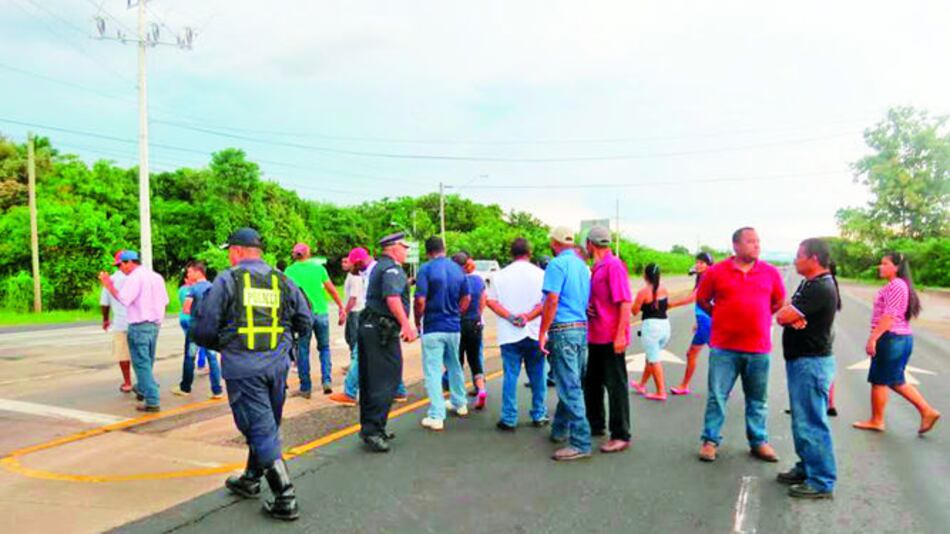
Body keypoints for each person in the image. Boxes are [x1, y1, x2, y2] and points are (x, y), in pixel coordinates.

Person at [190, 228, 312, 521]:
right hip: (276, 366)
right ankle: (250, 478)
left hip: (244, 368)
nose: (229, 256)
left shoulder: (228, 279)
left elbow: (205, 328)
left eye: (230, 250)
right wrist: (285, 347)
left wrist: (226, 346)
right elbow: (304, 320)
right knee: (265, 423)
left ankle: (286, 497)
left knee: (259, 428)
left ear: (239, 250)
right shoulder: (281, 279)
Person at [696, 227, 785, 463]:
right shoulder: (716, 272)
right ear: (735, 245)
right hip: (724, 347)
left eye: (758, 241)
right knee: (717, 395)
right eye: (750, 241)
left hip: (758, 348)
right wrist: (721, 315)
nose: (756, 245)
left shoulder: (770, 272)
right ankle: (710, 441)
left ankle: (759, 441)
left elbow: (778, 301)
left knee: (757, 399)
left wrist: (760, 317)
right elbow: (703, 299)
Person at [775, 238, 841, 499]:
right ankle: (807, 467)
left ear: (813, 259)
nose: (795, 260)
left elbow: (782, 316)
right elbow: (787, 314)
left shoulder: (820, 287)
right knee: (802, 421)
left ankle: (822, 480)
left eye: (799, 255)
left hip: (811, 362)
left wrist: (791, 317)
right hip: (803, 360)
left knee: (812, 422)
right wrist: (792, 317)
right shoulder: (809, 283)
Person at [853, 253, 941, 435]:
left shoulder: (896, 286)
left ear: (896, 267)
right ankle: (927, 411)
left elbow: (889, 316)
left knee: (878, 380)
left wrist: (873, 338)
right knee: (895, 380)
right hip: (899, 338)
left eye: (885, 264)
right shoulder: (899, 286)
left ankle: (877, 420)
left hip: (891, 337)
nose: (880, 266)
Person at [358, 232, 418, 452]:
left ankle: (373, 427)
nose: (407, 251)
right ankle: (373, 431)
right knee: (385, 381)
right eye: (404, 247)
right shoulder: (391, 268)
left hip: (373, 328)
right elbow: (392, 298)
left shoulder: (382, 266)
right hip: (380, 331)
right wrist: (406, 325)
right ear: (393, 248)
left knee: (373, 380)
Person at [537, 226, 592, 461]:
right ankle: (560, 429)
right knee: (570, 381)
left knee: (570, 387)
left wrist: (542, 332)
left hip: (563, 329)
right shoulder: (582, 266)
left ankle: (581, 441)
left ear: (554, 243)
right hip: (580, 328)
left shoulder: (556, 265)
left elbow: (552, 299)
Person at [329, 248, 409, 407]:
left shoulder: (376, 272)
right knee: (387, 355)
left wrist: (405, 323)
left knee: (360, 353)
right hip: (380, 319)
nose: (350, 269)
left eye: (351, 265)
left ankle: (350, 393)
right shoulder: (369, 272)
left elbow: (391, 297)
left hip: (378, 320)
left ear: (358, 262)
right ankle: (399, 390)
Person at [486, 238, 549, 431]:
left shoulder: (499, 276)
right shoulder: (542, 274)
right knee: (538, 375)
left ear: (511, 253)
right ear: (530, 252)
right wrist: (528, 317)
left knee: (510, 376)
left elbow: (491, 302)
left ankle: (509, 417)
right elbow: (546, 303)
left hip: (509, 333)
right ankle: (539, 414)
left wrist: (512, 317)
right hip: (535, 332)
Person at [582, 226, 633, 453]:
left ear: (590, 244)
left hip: (611, 336)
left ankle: (621, 434)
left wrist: (620, 334)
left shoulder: (613, 265)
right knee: (592, 383)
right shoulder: (597, 267)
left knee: (616, 386)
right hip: (596, 334)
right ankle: (595, 424)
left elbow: (625, 302)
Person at [98, 250, 169, 413]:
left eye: (121, 265)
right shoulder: (156, 277)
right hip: (154, 326)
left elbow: (124, 299)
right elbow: (165, 301)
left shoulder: (134, 278)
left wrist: (109, 285)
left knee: (142, 365)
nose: (120, 269)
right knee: (148, 362)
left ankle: (152, 399)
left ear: (129, 262)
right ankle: (143, 388)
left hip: (139, 326)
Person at [415, 236, 471, 432]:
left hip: (433, 325)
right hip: (453, 326)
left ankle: (436, 415)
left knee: (432, 370)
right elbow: (467, 298)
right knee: (454, 365)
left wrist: (417, 321)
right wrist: (457, 312)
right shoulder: (457, 269)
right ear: (444, 248)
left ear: (428, 251)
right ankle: (460, 402)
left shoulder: (426, 269)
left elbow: (420, 300)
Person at [284, 243, 345, 397]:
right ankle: (326, 381)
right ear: (308, 253)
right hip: (321, 313)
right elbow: (331, 289)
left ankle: (305, 387)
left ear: (295, 255)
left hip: (302, 316)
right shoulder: (319, 269)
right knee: (324, 348)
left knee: (302, 349)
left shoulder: (289, 271)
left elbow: (286, 295)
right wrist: (340, 306)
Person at [171, 261, 223, 399]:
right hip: (211, 329)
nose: (188, 275)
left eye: (189, 272)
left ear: (197, 272)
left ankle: (185, 387)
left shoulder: (192, 289)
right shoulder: (214, 287)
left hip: (195, 330)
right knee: (212, 358)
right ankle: (217, 389)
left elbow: (186, 308)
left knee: (190, 357)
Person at [668, 252, 715, 396]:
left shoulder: (706, 278)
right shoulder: (703, 277)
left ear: (708, 265)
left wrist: (671, 304)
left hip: (706, 321)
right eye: (697, 262)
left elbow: (694, 298)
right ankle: (722, 386)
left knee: (692, 353)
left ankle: (684, 386)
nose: (698, 265)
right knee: (718, 354)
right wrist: (697, 321)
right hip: (707, 319)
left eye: (702, 263)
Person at [630, 264, 671, 401]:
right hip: (665, 325)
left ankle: (661, 392)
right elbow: (666, 305)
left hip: (651, 327)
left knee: (654, 359)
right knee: (651, 355)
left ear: (645, 275)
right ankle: (642, 384)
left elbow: (634, 311)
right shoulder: (664, 288)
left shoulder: (643, 292)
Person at [453, 251, 489, 409]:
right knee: (475, 360)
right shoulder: (478, 280)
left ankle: (459, 397)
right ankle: (481, 389)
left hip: (458, 323)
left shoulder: (455, 281)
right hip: (474, 323)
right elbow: (483, 301)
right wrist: (478, 316)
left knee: (457, 362)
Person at [100, 250, 133, 393]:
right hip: (138, 322)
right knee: (140, 354)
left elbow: (104, 304)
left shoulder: (111, 280)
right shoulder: (138, 279)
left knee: (123, 354)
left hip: (120, 323)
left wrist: (106, 320)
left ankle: (127, 382)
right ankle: (145, 381)